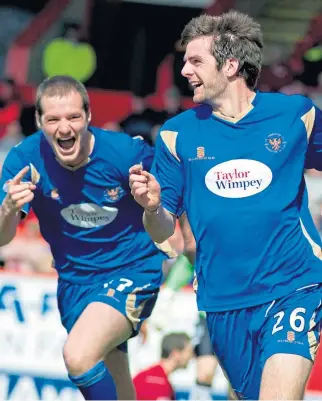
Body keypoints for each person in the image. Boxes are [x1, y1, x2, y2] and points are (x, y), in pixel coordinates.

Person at [129, 10, 322, 401]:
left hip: (294, 286)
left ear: (231, 65)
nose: (183, 70)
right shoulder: (176, 135)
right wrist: (151, 208)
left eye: (195, 61)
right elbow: (166, 235)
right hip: (221, 302)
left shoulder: (295, 115)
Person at [0, 75, 173, 401]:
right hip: (74, 283)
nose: (64, 128)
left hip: (131, 271)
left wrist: (154, 207)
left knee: (78, 356)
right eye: (53, 119)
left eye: (73, 117)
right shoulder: (24, 160)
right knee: (115, 374)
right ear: (39, 121)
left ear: (88, 117)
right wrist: (8, 208)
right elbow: (1, 238)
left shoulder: (126, 153)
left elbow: (166, 224)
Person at [150, 215, 218, 401]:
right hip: (210, 317)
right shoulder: (203, 242)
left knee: (239, 377)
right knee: (205, 372)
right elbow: (188, 260)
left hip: (242, 313)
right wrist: (167, 296)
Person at [133, 332, 193, 400]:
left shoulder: (157, 377)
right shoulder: (157, 382)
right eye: (189, 352)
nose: (191, 357)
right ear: (176, 353)